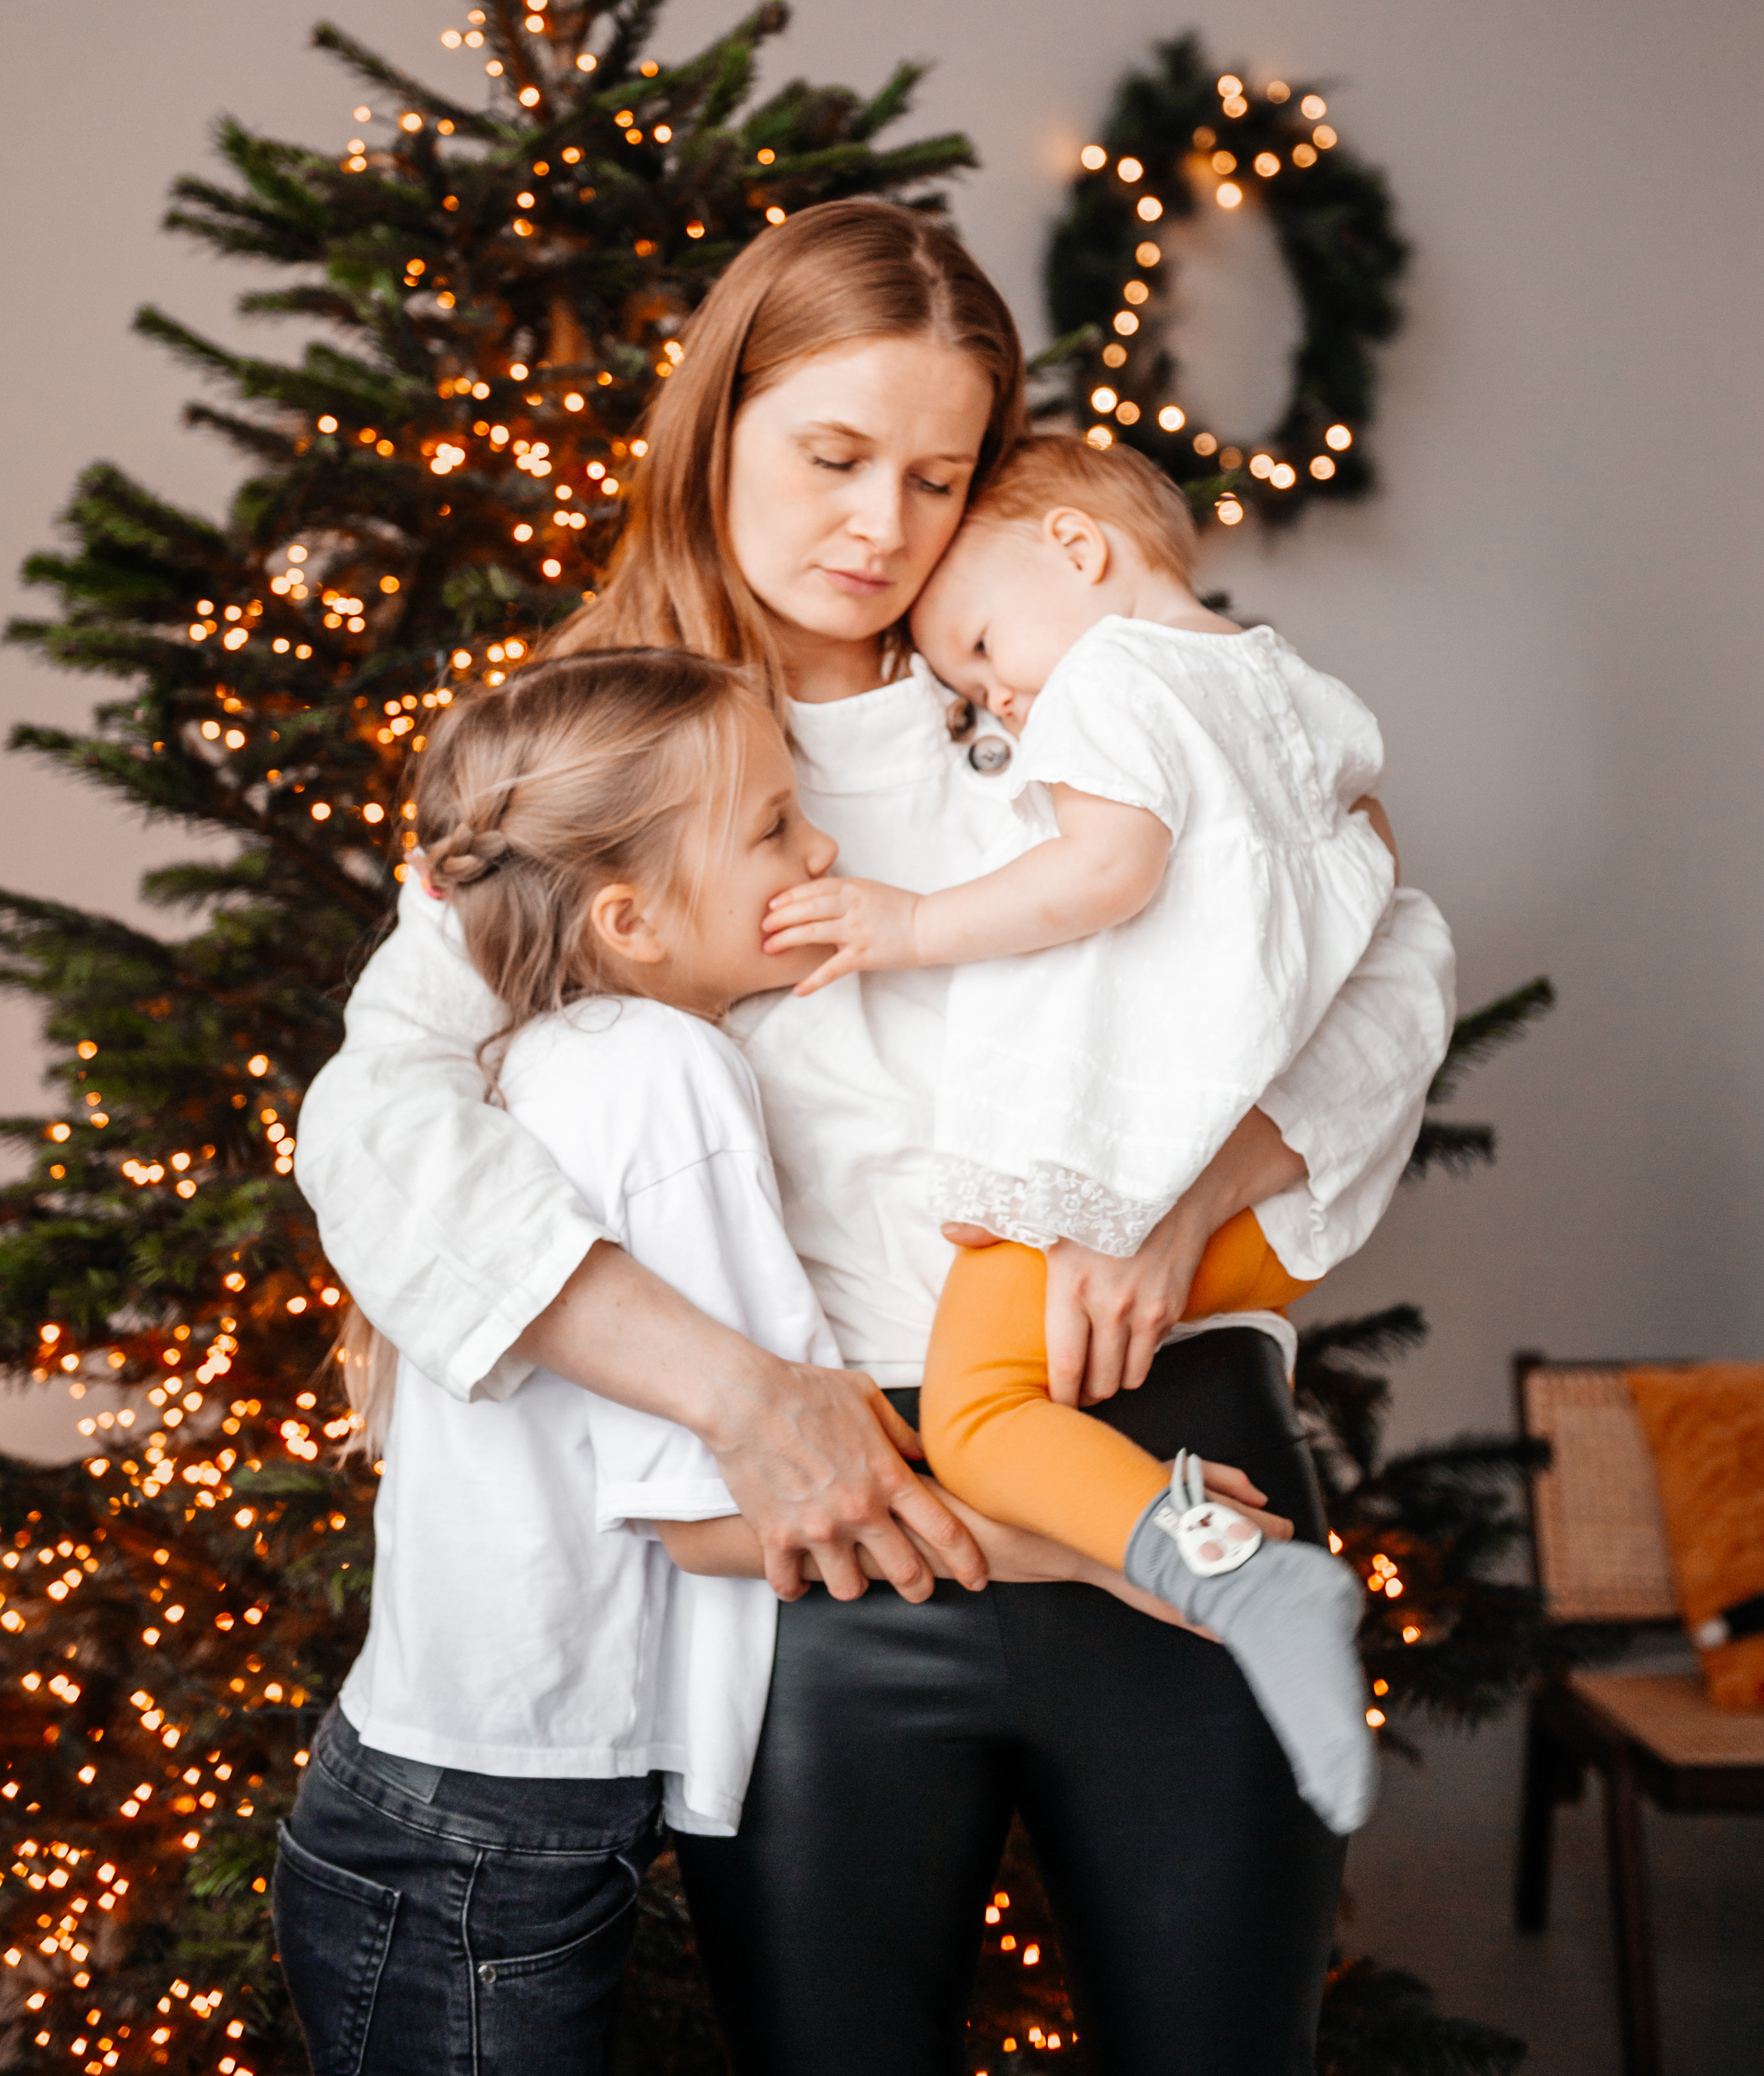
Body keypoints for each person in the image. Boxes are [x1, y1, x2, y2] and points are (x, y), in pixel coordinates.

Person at [294, 199, 1456, 2074]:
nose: (883, 530)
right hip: (830, 1526)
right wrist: (746, 1393)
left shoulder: (1075, 683)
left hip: (1172, 1455)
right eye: (832, 457)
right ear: (716, 429)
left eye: (939, 475)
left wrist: (1185, 1198)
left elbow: (1393, 943)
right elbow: (374, 1115)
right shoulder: (599, 757)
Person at [276, 642, 1279, 2072]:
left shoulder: (559, 1051)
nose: (820, 849)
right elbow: (721, 1519)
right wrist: (1120, 1544)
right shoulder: (657, 1077)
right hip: (484, 1847)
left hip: (459, 1814)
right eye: (769, 828)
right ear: (625, 919)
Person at [760, 429, 1412, 1833]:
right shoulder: (1291, 688)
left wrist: (907, 925)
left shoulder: (1112, 674)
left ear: (1077, 546)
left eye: (984, 645)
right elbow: (1376, 874)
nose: (997, 698)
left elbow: (1107, 870)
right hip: (1261, 1234)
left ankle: (1236, 1573)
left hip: (1102, 1182)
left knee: (985, 1422)